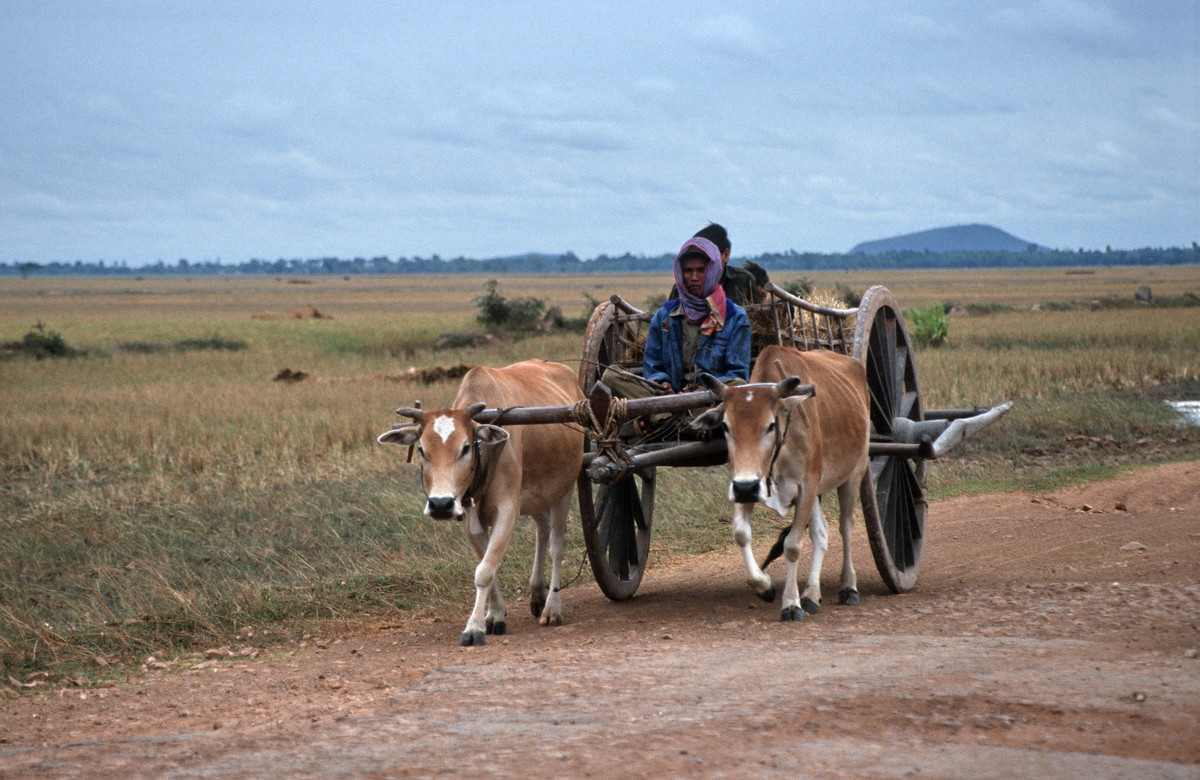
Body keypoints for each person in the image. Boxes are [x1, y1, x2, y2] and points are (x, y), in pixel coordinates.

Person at [601, 236, 751, 417]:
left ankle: (665, 419)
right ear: (680, 273)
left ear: (713, 271)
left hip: (710, 398)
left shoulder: (735, 317)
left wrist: (705, 388)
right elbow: (652, 365)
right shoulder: (664, 316)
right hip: (669, 398)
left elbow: (737, 371)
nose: (694, 277)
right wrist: (663, 384)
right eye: (688, 271)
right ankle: (673, 419)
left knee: (739, 385)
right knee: (611, 375)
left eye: (701, 270)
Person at [668, 223, 763, 307]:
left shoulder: (744, 280)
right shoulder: (681, 288)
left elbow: (758, 318)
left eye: (711, 257)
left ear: (725, 255)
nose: (694, 277)